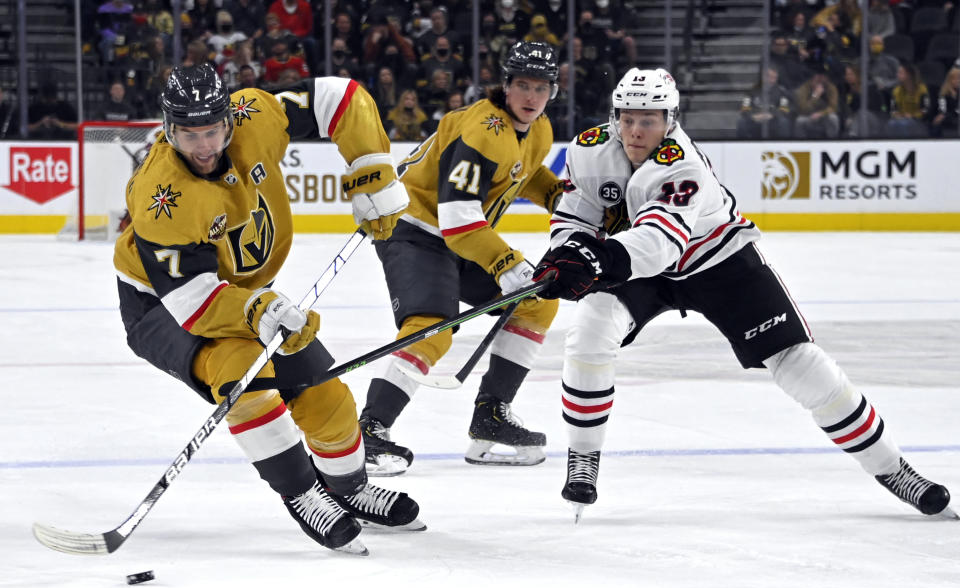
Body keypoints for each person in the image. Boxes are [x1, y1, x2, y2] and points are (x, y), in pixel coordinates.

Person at [532, 67, 955, 522]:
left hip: (718, 263)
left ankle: (894, 469)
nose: (636, 130)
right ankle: (584, 457)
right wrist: (566, 252)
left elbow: (659, 243)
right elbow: (575, 213)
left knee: (802, 365)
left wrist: (597, 260)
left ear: (671, 119)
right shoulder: (589, 148)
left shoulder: (683, 164)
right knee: (589, 333)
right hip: (634, 263)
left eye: (649, 119)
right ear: (614, 115)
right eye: (628, 117)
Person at [112, 63, 419, 554]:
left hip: (246, 297)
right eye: (189, 136)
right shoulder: (159, 197)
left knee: (326, 396)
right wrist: (259, 309)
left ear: (228, 120)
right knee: (242, 376)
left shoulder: (254, 115)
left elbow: (338, 97)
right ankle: (302, 494)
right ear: (169, 130)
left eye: (211, 130)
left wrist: (371, 170)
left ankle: (350, 488)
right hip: (163, 308)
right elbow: (192, 301)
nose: (204, 147)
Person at [356, 42, 567, 475]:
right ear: (506, 86)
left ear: (553, 92)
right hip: (415, 230)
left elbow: (523, 172)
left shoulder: (538, 128)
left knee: (537, 301)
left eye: (541, 88)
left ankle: (492, 416)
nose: (531, 97)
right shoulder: (484, 130)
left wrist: (565, 202)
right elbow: (458, 218)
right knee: (432, 327)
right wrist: (506, 263)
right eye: (523, 85)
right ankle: (368, 431)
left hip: (459, 237)